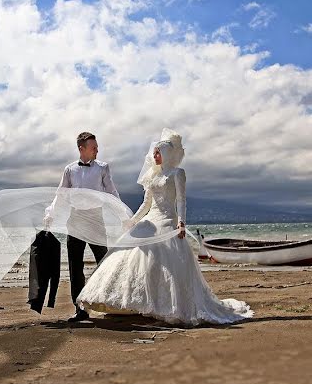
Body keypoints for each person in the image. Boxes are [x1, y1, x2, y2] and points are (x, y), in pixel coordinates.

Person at [76, 129, 253, 326]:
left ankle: (167, 306)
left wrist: (181, 221)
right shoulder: (152, 176)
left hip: (169, 221)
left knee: (165, 265)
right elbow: (146, 204)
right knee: (134, 260)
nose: (155, 156)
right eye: (154, 153)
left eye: (158, 152)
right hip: (150, 221)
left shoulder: (178, 174)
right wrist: (133, 221)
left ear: (168, 153)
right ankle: (134, 303)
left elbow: (181, 200)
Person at [44, 131, 121, 322]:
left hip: (96, 219)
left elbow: (112, 192)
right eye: (93, 147)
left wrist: (123, 215)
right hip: (76, 220)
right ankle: (80, 309)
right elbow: (60, 195)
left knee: (104, 262)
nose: (97, 150)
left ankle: (110, 301)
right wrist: (50, 214)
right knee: (75, 267)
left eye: (97, 147)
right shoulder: (70, 170)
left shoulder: (103, 168)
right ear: (82, 149)